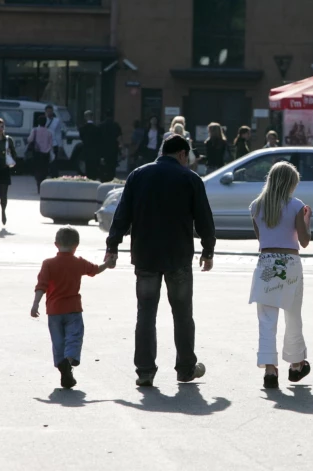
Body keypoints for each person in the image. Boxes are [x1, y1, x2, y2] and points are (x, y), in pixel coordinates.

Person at [106, 135, 215, 387]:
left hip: (145, 256)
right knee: (182, 313)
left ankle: (145, 371)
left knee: (145, 313)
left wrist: (113, 246)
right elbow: (204, 219)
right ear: (181, 154)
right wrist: (207, 250)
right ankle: (186, 368)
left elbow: (122, 214)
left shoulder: (137, 175)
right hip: (178, 256)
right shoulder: (190, 179)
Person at [249, 161, 312, 389]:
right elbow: (304, 241)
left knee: (266, 318)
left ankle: (269, 368)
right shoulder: (297, 205)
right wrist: (307, 220)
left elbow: (262, 239)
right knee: (293, 314)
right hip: (290, 263)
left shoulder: (256, 206)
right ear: (290, 184)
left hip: (266, 262)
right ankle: (296, 364)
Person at [31, 227, 115, 389]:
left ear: (56, 244)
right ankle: (68, 362)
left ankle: (63, 368)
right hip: (73, 310)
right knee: (74, 338)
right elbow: (96, 270)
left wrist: (35, 304)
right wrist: (108, 263)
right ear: (76, 245)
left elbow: (41, 285)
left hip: (54, 311)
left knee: (58, 341)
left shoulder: (48, 264)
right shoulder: (78, 263)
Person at [27, 115, 54, 193]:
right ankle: (43, 185)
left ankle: (38, 185)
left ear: (38, 122)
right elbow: (51, 144)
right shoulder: (49, 132)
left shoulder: (34, 130)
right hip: (46, 154)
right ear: (45, 122)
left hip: (37, 153)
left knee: (37, 170)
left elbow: (29, 140)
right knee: (44, 170)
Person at [99, 110, 122, 182]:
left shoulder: (101, 125)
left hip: (103, 149)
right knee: (112, 168)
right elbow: (119, 138)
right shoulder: (116, 125)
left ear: (105, 116)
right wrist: (121, 150)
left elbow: (97, 139)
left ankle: (103, 181)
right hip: (113, 149)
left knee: (103, 167)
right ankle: (111, 180)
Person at [78, 110, 102, 181]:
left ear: (85, 117)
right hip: (95, 151)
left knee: (87, 168)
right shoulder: (97, 128)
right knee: (94, 169)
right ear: (92, 117)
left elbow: (81, 138)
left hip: (86, 150)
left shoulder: (82, 129)